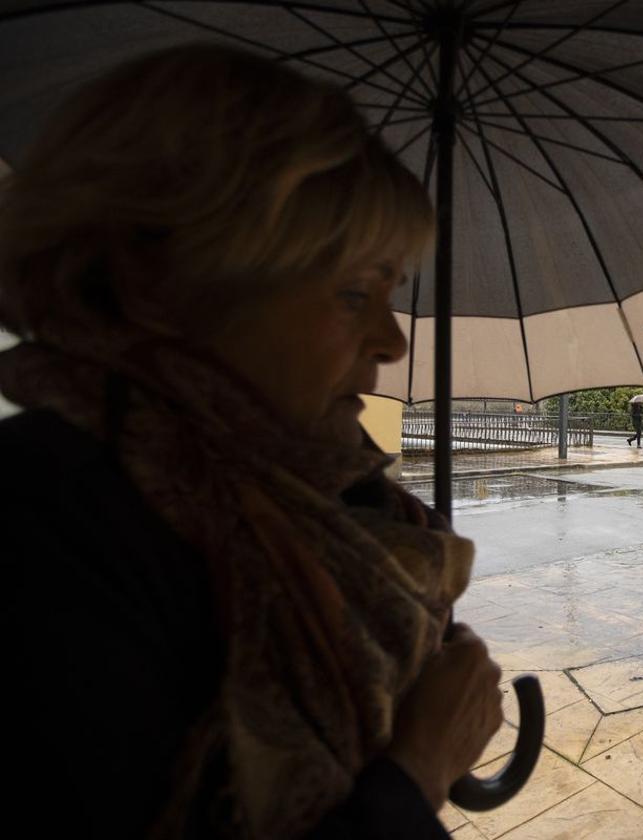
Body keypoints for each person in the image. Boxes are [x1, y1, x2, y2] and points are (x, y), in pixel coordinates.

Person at [0, 45, 503, 839]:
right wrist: (417, 772)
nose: (391, 342)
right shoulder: (42, 531)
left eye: (389, 293)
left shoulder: (309, 495)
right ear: (165, 283)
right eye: (351, 291)